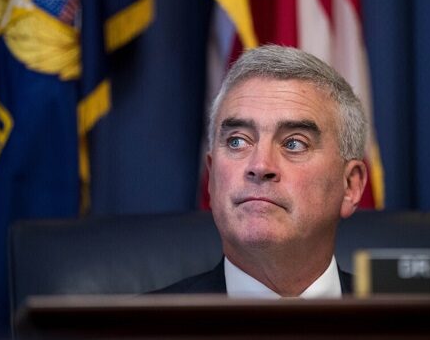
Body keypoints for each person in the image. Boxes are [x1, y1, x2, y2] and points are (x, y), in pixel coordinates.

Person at [156, 45, 368, 298]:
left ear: (350, 185)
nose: (260, 166)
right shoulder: (133, 333)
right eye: (237, 141)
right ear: (211, 179)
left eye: (294, 144)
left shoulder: (410, 326)